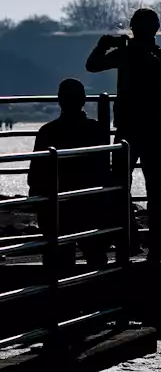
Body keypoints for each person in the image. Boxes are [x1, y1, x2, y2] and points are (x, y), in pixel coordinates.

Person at [86, 8, 161, 263]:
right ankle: (136, 239)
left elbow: (157, 72)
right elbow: (93, 65)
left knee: (142, 187)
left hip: (135, 129)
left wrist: (116, 49)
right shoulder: (140, 53)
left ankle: (139, 240)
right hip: (145, 129)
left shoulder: (159, 55)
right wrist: (104, 46)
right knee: (137, 187)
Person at [27, 78, 112, 271]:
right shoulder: (96, 131)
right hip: (90, 208)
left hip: (57, 209)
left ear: (59, 101)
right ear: (83, 101)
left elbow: (34, 177)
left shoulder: (47, 132)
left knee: (56, 261)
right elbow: (104, 172)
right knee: (95, 256)